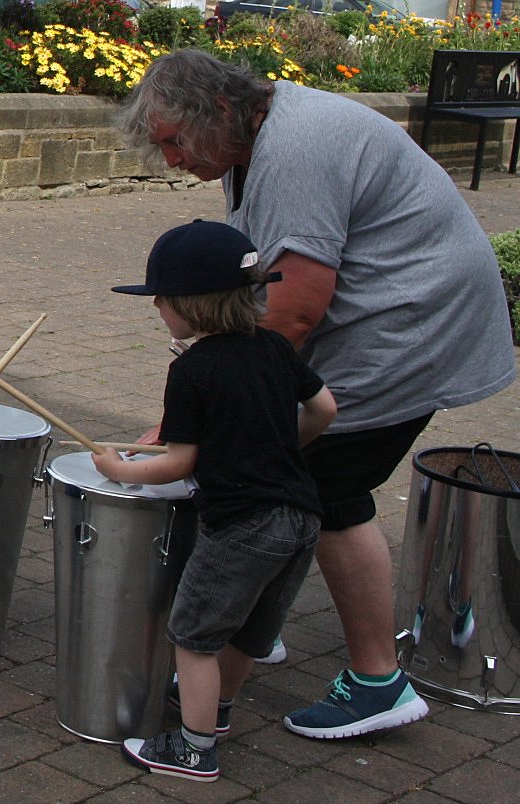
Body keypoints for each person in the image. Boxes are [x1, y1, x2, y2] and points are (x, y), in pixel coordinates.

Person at [118, 49, 516, 739]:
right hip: (388, 310)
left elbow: (294, 312)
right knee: (286, 474)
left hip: (409, 323)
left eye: (175, 142)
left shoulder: (297, 149)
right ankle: (248, 618)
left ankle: (375, 682)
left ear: (217, 109)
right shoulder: (253, 139)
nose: (173, 161)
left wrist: (201, 417)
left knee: (327, 489)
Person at [93, 219, 336, 781]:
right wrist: (276, 446)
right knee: (251, 629)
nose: (156, 305)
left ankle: (193, 749)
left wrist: (117, 469)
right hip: (302, 516)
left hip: (243, 524)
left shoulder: (192, 368)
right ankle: (218, 710)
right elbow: (326, 410)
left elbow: (179, 462)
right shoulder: (275, 346)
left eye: (162, 298)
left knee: (194, 634)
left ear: (192, 305)